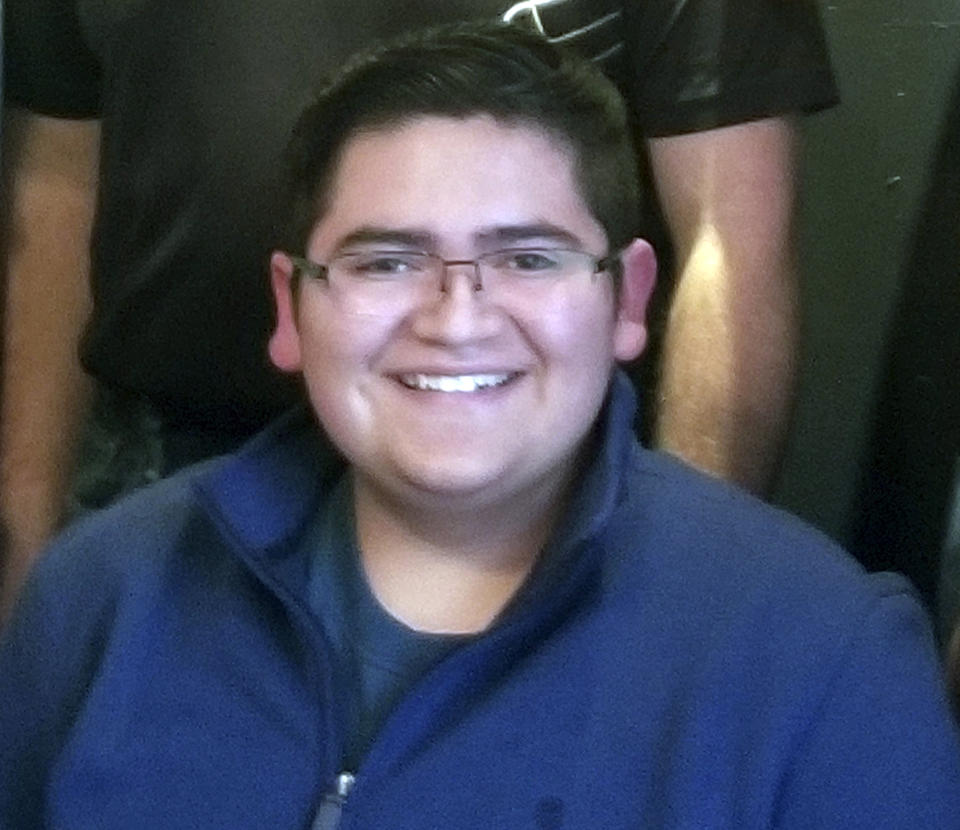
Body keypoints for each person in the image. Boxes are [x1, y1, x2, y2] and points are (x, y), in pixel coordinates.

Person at [1, 24, 956, 829]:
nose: (457, 318)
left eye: (529, 259)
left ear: (626, 301)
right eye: (385, 263)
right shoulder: (99, 602)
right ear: (292, 311)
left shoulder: (829, 669)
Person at [0, 0, 837, 620]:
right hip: (159, 464)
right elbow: (62, 185)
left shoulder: (841, 650)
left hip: (528, 496)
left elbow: (733, 247)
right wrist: (22, 534)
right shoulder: (94, 588)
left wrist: (677, 587)